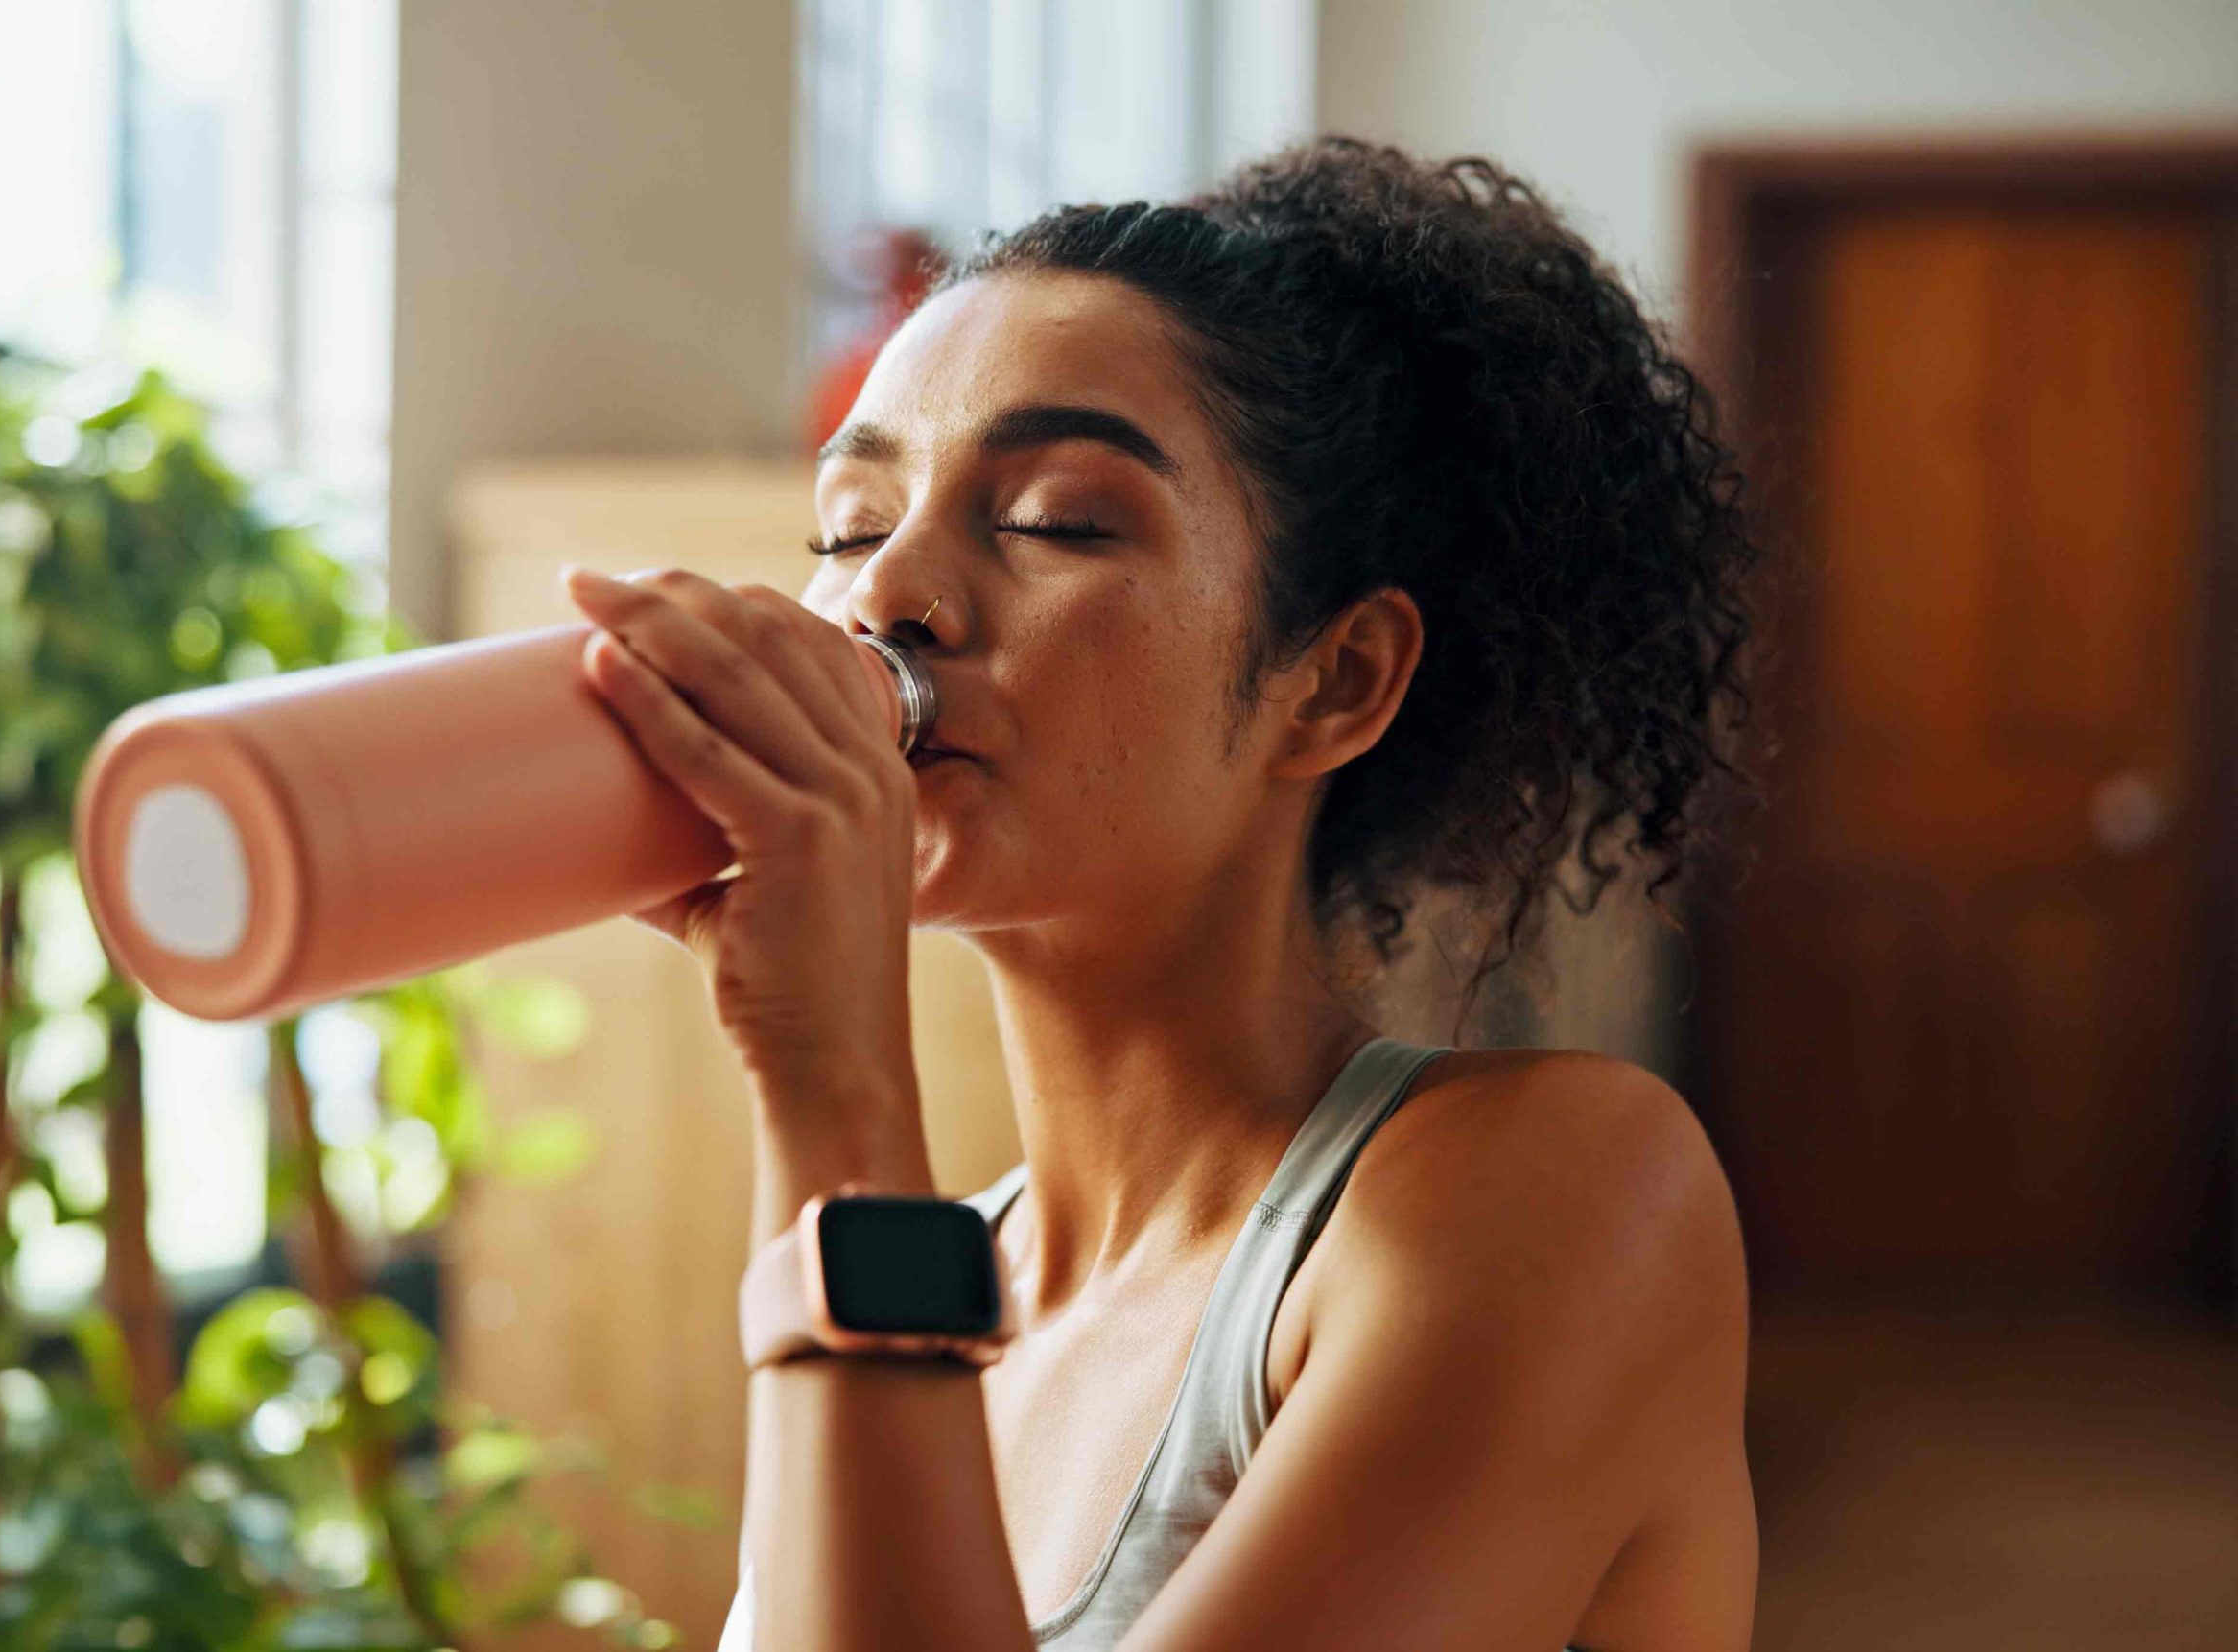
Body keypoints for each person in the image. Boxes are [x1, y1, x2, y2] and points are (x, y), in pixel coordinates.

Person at [561, 135, 1764, 1651]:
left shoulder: (1563, 1192)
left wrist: (827, 1071)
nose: (885, 593)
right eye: (852, 525)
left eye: (1055, 518)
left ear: (1336, 680)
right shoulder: (935, 1262)